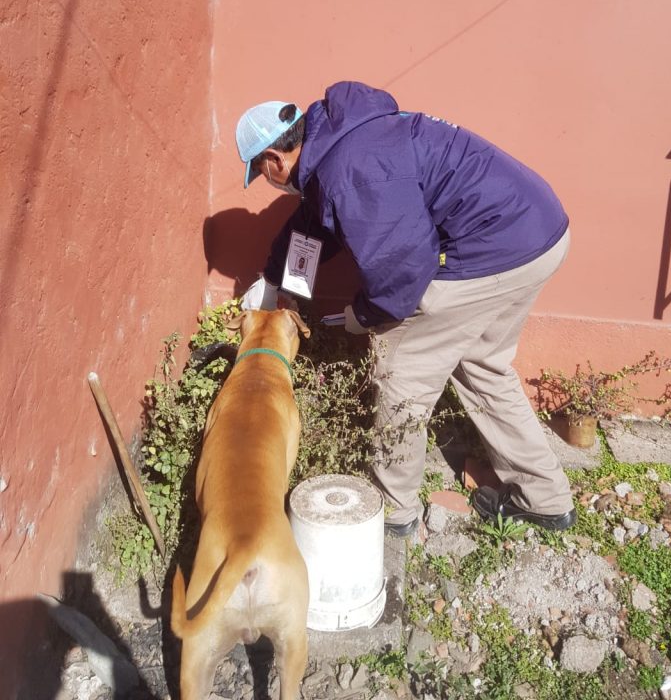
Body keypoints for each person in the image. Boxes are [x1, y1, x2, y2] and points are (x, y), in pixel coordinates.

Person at [235, 81, 575, 537]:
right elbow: (314, 222)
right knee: (484, 367)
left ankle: (393, 513)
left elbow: (402, 268)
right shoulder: (342, 140)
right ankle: (546, 500)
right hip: (537, 233)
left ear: (275, 160)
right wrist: (279, 280)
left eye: (261, 173)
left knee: (401, 376)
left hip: (491, 249)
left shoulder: (351, 170)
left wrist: (363, 316)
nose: (269, 182)